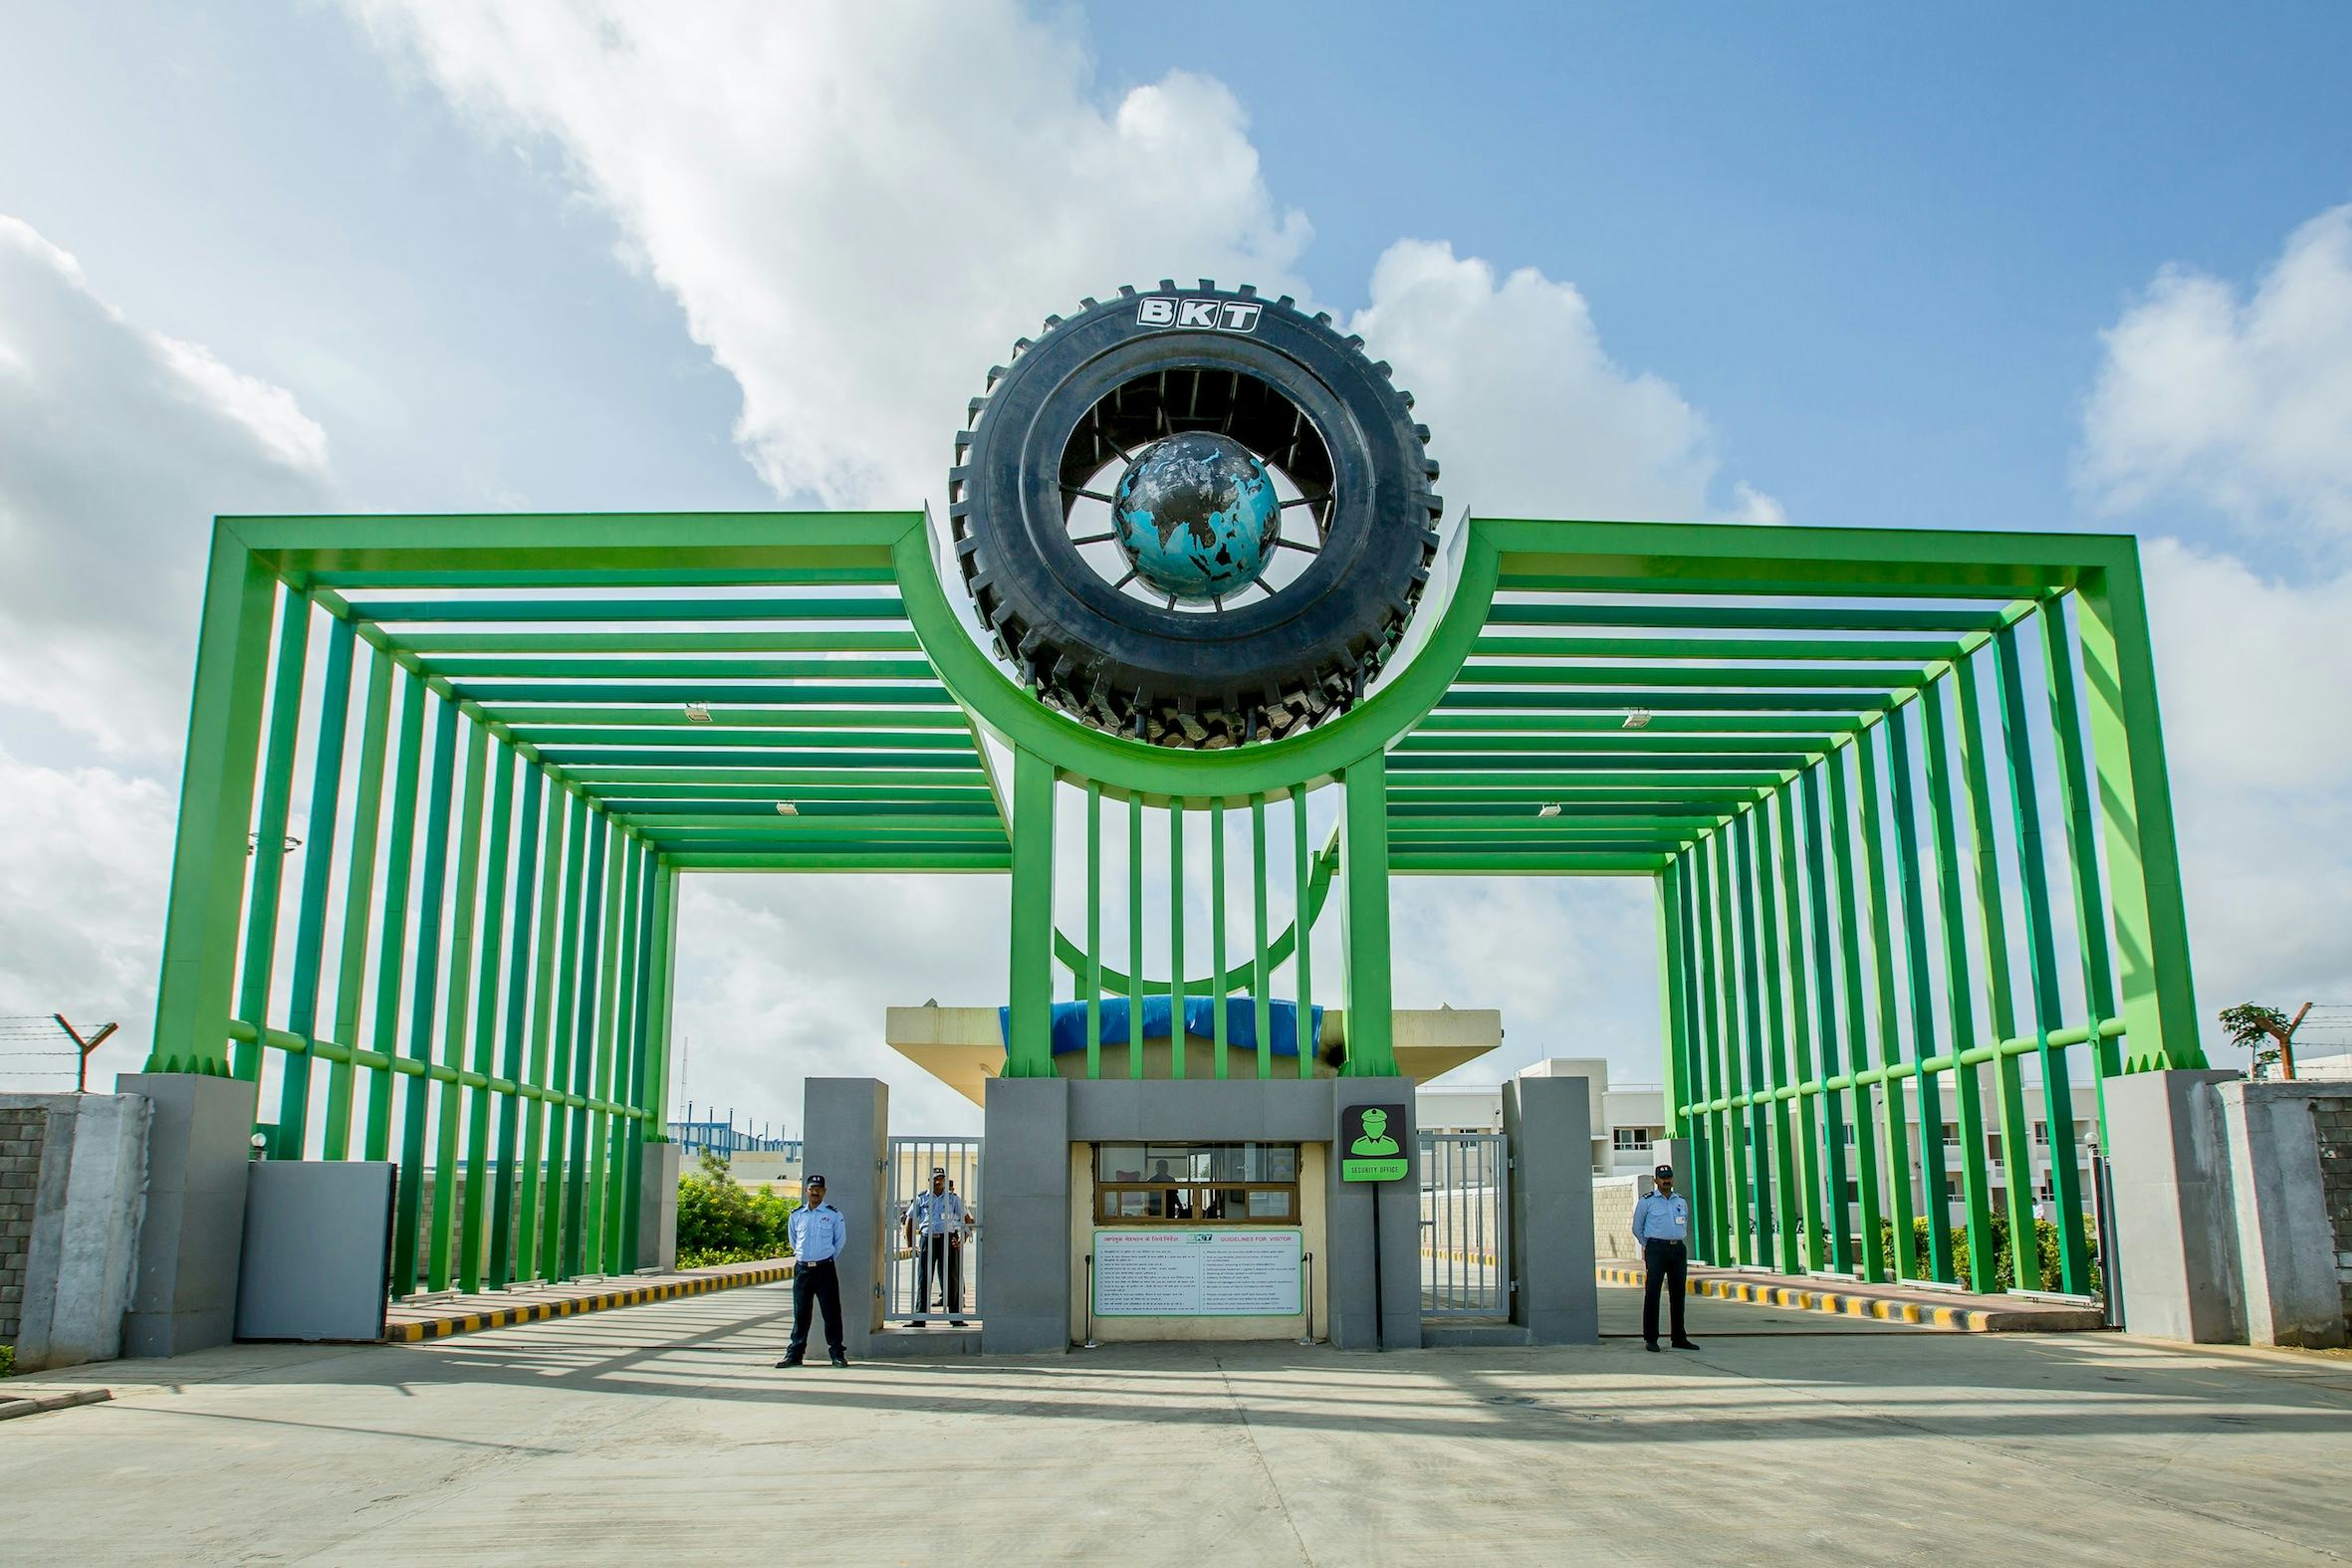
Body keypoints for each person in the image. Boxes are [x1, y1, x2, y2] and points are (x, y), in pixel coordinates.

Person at [779, 1173, 848, 1367]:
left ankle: (836, 1353)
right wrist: (805, 1258)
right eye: (812, 1189)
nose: (815, 1192)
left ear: (824, 1191)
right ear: (806, 1191)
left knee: (831, 1312)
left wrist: (825, 1258)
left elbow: (840, 1241)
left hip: (824, 1268)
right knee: (801, 1313)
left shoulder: (833, 1214)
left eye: (819, 1189)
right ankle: (795, 1354)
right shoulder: (796, 1215)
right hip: (802, 1270)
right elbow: (793, 1241)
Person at [1631, 1163, 1700, 1352]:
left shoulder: (1680, 1201)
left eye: (1668, 1177)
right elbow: (1637, 1228)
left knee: (1678, 1295)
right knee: (1653, 1293)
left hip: (1677, 1249)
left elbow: (1683, 1224)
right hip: (1656, 1249)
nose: (1666, 1180)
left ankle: (1679, 1337)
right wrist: (1650, 1246)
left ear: (1672, 1179)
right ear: (1656, 1180)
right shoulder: (1647, 1201)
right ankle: (1651, 1338)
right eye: (1662, 1178)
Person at [904, 1166, 972, 1326]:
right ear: (929, 1180)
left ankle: (956, 1316)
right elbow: (910, 1220)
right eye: (935, 1178)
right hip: (928, 1239)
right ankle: (920, 1317)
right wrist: (910, 1244)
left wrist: (961, 1240)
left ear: (945, 1180)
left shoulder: (953, 1199)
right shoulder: (921, 1198)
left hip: (947, 1239)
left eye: (941, 1178)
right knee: (924, 1278)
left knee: (951, 1278)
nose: (938, 1181)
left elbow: (967, 1220)